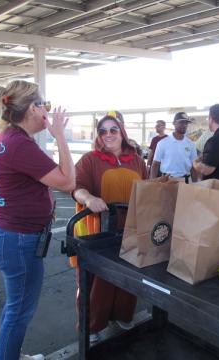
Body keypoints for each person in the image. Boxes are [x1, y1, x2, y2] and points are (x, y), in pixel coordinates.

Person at [0, 80, 75, 360]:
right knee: (19, 311)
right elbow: (68, 181)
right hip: (17, 239)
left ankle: (12, 354)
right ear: (32, 109)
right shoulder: (19, 144)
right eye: (44, 104)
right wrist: (60, 135)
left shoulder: (6, 139)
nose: (47, 110)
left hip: (5, 235)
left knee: (16, 308)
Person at [72, 111, 147, 342]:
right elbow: (77, 187)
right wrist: (88, 199)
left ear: (122, 132)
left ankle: (123, 314)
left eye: (113, 130)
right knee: (96, 280)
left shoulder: (136, 159)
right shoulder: (90, 160)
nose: (108, 135)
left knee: (128, 274)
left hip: (129, 228)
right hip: (98, 230)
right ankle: (92, 325)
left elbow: (145, 188)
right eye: (103, 131)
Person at [150, 112, 197, 182]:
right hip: (166, 181)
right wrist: (153, 183)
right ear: (174, 123)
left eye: (186, 123)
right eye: (181, 122)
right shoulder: (162, 143)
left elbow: (193, 167)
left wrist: (195, 184)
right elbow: (155, 164)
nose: (184, 125)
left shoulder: (191, 144)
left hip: (185, 182)